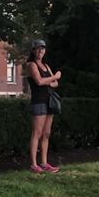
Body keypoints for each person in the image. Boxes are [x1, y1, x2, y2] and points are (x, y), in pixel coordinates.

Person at [26, 39, 62, 174]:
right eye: (38, 48)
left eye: (43, 48)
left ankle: (44, 163)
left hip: (49, 101)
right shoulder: (31, 65)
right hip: (39, 101)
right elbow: (40, 82)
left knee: (46, 133)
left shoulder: (46, 65)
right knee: (37, 133)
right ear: (33, 50)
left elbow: (55, 84)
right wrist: (54, 77)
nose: (41, 51)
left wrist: (51, 80)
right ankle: (34, 164)